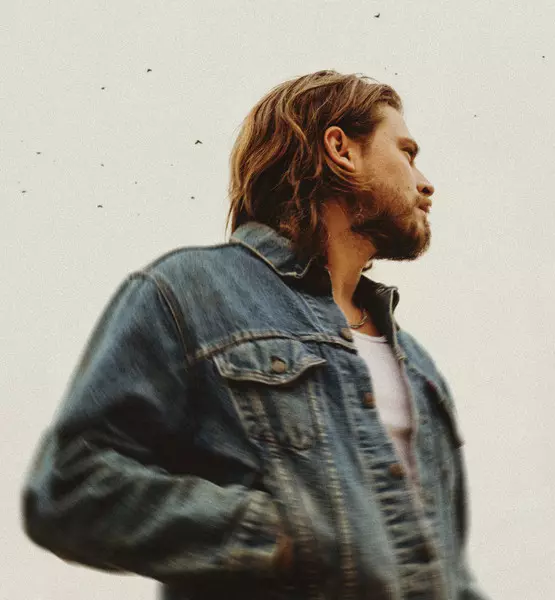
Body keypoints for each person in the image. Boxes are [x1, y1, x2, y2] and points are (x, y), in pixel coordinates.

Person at [21, 70, 489, 600]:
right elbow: (70, 486)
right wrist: (281, 538)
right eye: (406, 152)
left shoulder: (418, 366)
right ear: (341, 149)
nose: (425, 183)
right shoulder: (191, 293)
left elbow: (449, 568)